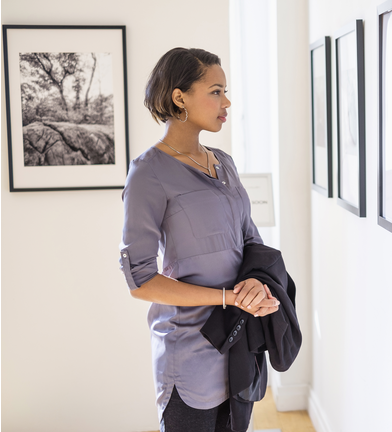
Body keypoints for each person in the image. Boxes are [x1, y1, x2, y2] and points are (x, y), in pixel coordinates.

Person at [118, 47, 280, 432]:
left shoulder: (224, 162)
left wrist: (255, 284)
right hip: (188, 355)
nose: (226, 101)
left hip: (239, 343)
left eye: (225, 91)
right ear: (180, 97)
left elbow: (250, 240)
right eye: (216, 90)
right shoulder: (147, 174)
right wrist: (226, 297)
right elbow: (140, 281)